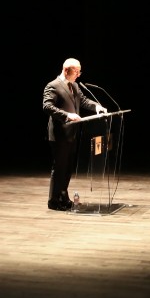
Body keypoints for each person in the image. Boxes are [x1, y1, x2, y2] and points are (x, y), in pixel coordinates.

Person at [42, 58, 106, 211]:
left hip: (72, 134)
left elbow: (83, 101)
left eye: (79, 71)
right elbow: (47, 106)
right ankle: (53, 201)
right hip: (59, 134)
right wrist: (67, 115)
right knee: (59, 168)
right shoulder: (53, 86)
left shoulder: (75, 86)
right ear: (66, 70)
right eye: (76, 71)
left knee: (68, 168)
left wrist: (97, 107)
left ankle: (64, 198)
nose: (78, 74)